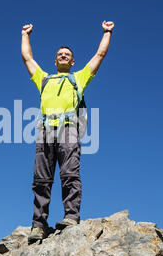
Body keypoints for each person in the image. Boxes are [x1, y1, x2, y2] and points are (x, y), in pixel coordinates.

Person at [21, 21, 114, 243]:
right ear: (55, 61)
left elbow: (99, 55)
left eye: (67, 55)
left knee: (70, 174)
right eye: (60, 54)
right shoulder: (44, 79)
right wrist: (25, 35)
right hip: (45, 132)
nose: (63, 56)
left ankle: (71, 217)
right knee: (41, 180)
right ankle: (38, 225)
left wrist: (107, 33)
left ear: (72, 62)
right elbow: (27, 58)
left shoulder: (78, 79)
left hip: (68, 130)